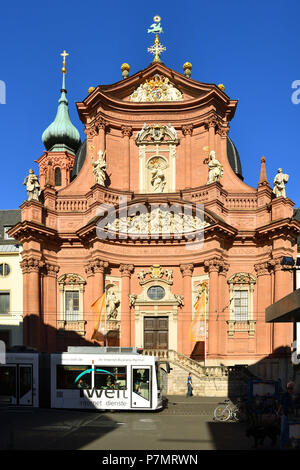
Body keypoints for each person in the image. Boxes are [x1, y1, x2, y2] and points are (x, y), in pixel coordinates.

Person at [277, 381, 295, 449]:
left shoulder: (291, 396)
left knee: (288, 431)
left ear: (293, 389)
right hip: (285, 416)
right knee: (283, 432)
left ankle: (287, 445)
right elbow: (281, 404)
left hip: (290, 416)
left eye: (291, 388)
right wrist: (278, 412)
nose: (290, 389)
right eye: (288, 388)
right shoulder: (285, 395)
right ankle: (282, 447)